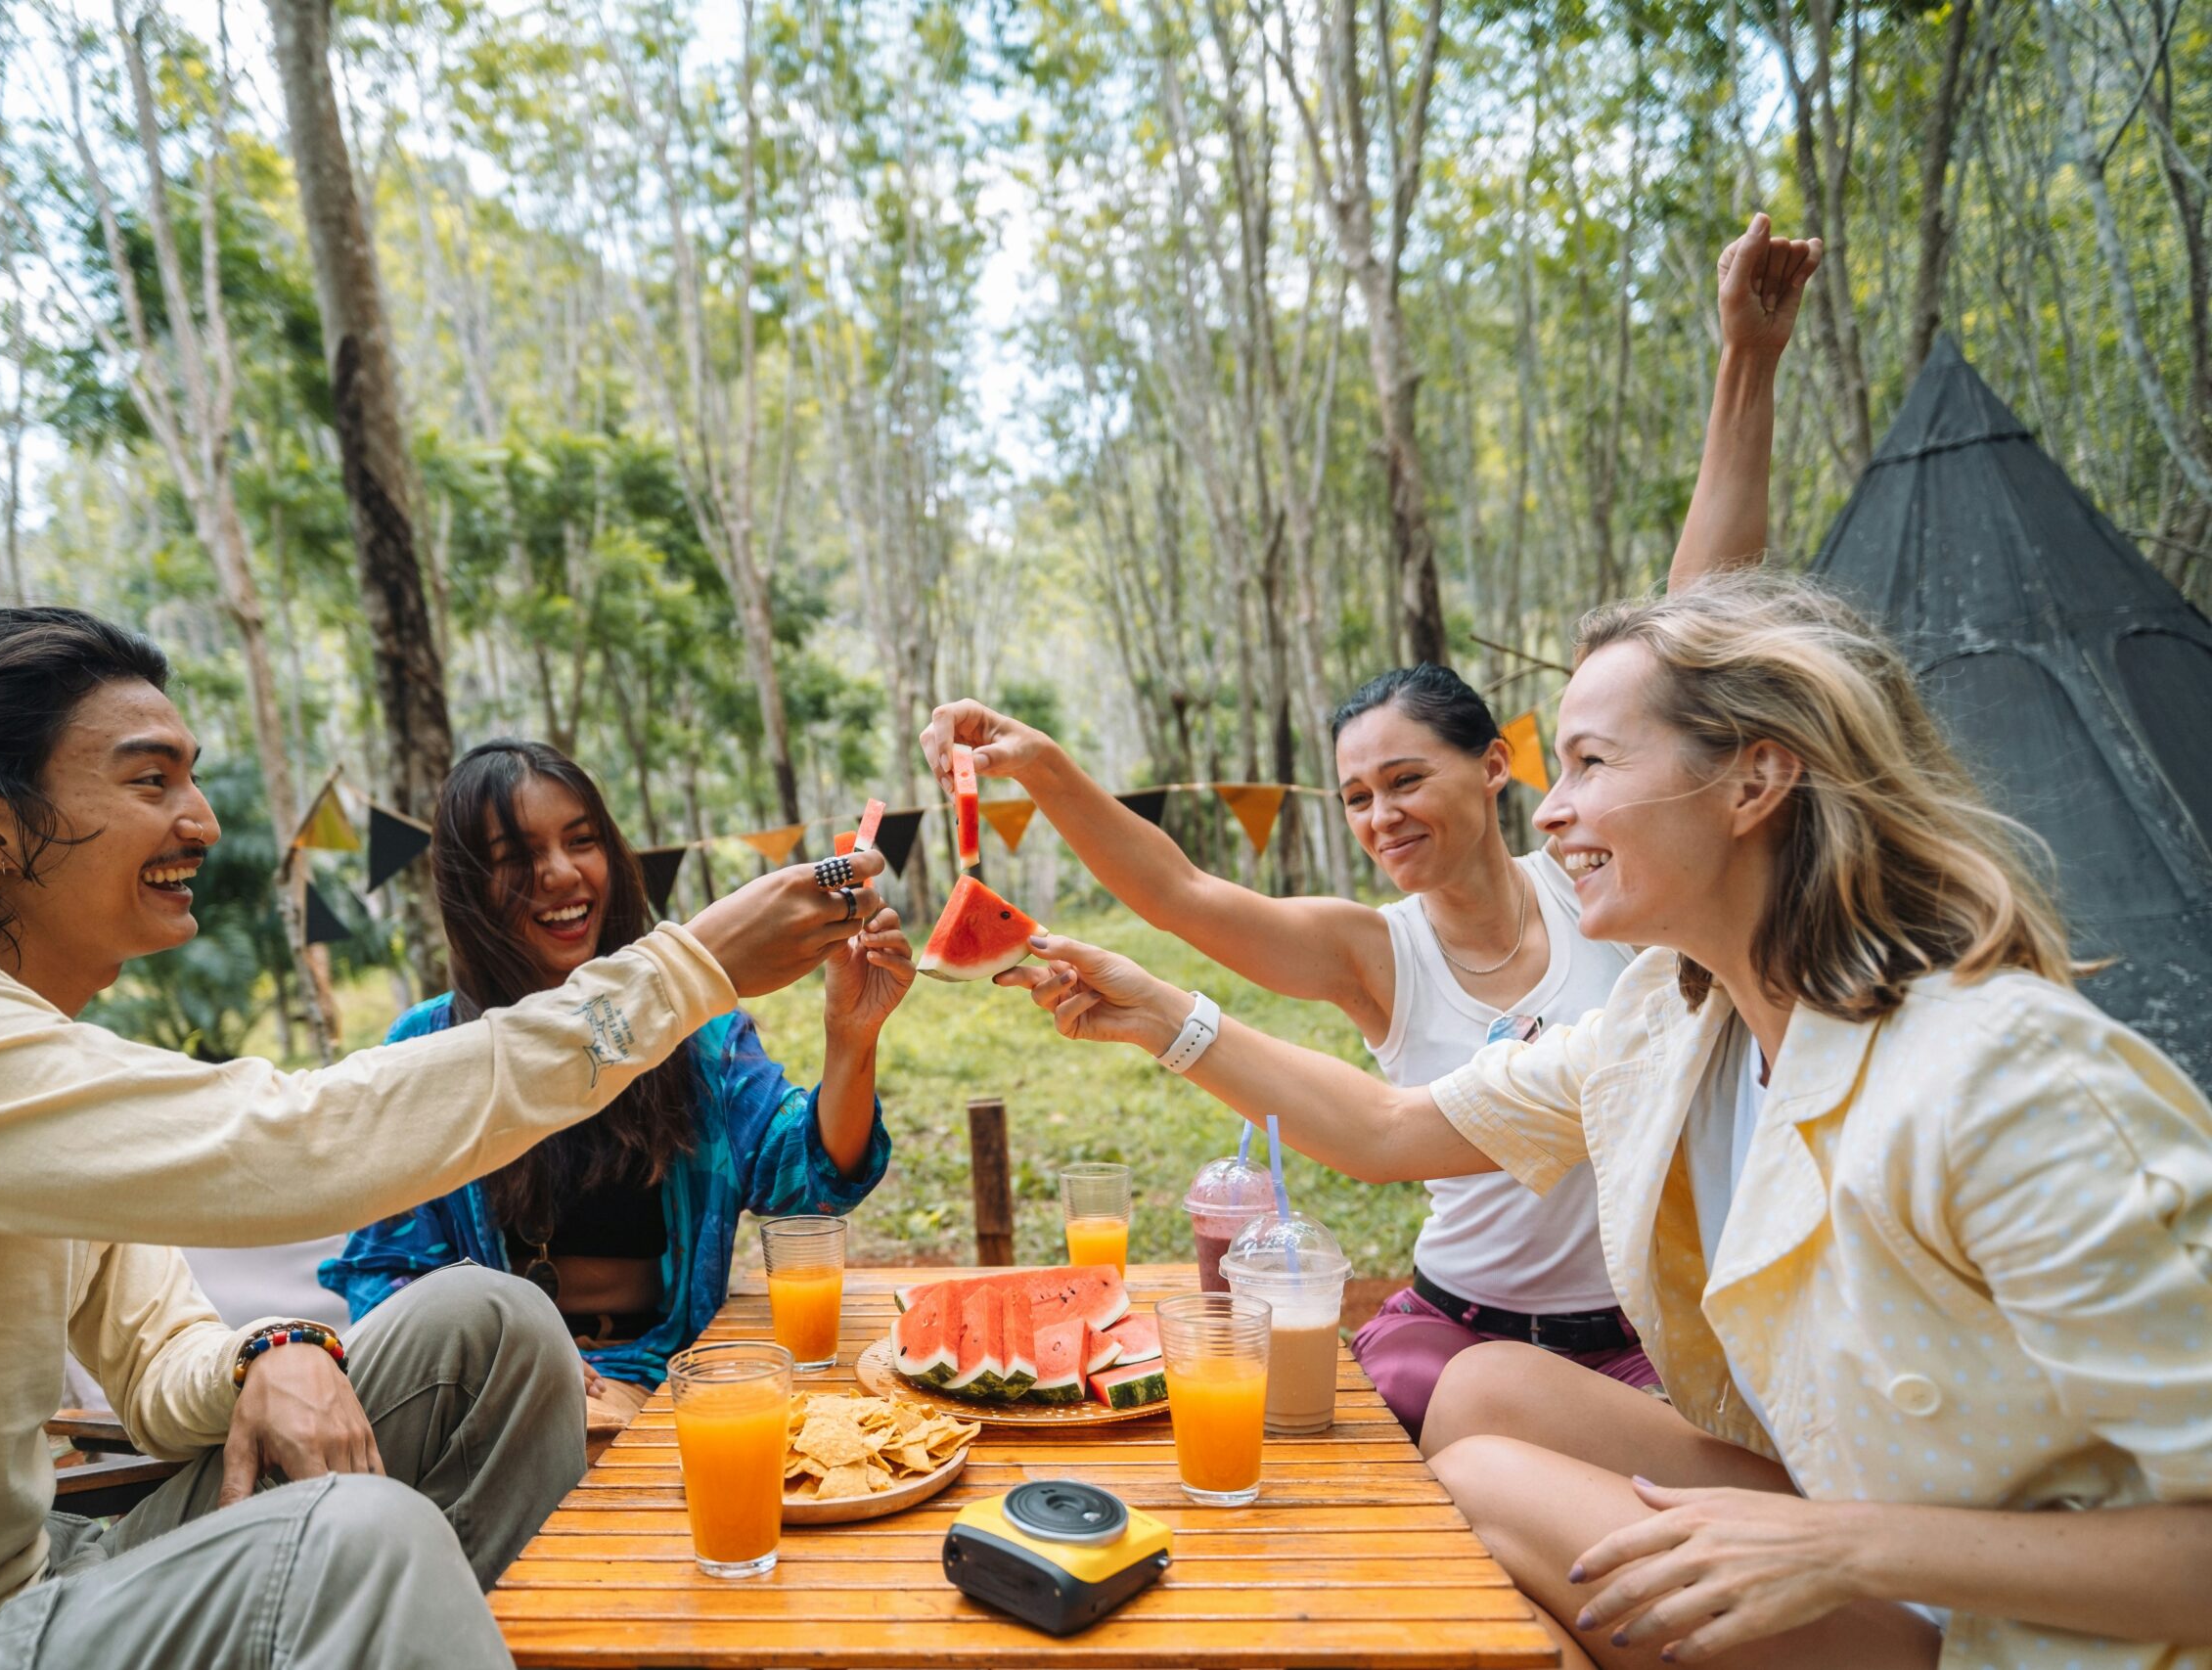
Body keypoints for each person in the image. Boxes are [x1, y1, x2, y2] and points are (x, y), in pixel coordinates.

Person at [999, 571, 2212, 1667]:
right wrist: (1163, 1016)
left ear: (1755, 777)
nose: (1549, 809)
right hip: (1841, 1514)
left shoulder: (2010, 1082)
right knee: (1483, 1397)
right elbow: (1381, 1129)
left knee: (1477, 1480)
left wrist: (1842, 1551)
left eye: (1588, 764)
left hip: (1992, 1621)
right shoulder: (1671, 1030)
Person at [0, 608, 888, 1670]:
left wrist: (271, 1342)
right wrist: (685, 967)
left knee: (490, 1321)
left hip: (43, 1585)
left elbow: (162, 1354)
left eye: (193, 777)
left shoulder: (38, 1059)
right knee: (357, 1533)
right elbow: (301, 1140)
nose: (202, 821)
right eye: (149, 780)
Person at [921, 212, 1823, 1435]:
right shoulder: (1372, 950)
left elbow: (1694, 660)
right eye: (1354, 796)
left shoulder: (1616, 890)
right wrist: (1042, 768)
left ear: (1497, 767)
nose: (1380, 815)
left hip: (1626, 1339)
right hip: (1444, 1321)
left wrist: (1744, 368)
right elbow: (1185, 899)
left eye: (1406, 779)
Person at [322, 741, 914, 1440]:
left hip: (668, 1379)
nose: (560, 873)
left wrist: (852, 1036)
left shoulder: (693, 1030)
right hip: (492, 1395)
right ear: (467, 885)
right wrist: (507, 1349)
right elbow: (381, 1275)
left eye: (582, 840)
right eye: (517, 856)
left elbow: (808, 1180)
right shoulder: (429, 1049)